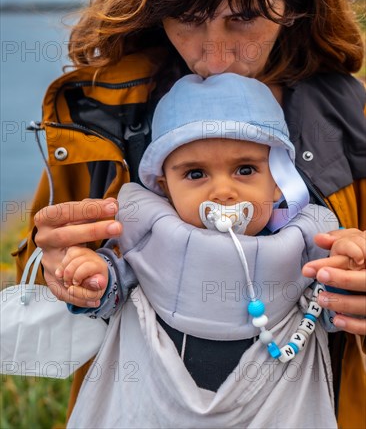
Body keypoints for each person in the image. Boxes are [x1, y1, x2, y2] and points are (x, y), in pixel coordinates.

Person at [13, 0, 365, 426]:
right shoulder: (98, 116)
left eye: (244, 17)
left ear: (292, 1)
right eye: (190, 18)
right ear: (155, 9)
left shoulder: (350, 120)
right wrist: (60, 271)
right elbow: (40, 286)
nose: (216, 56)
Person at [58, 74, 363, 428]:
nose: (222, 191)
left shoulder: (306, 244)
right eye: (195, 173)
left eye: (245, 169)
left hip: (272, 403)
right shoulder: (150, 232)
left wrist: (347, 270)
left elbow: (328, 315)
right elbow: (113, 293)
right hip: (157, 398)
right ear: (164, 187)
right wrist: (91, 276)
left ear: (279, 181)